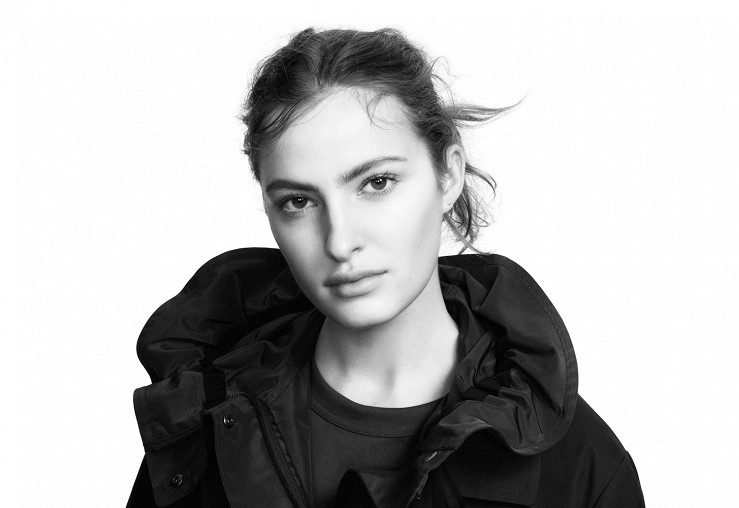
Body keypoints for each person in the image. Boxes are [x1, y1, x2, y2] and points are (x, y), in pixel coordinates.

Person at [127, 27, 645, 507]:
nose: (340, 241)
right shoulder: (206, 418)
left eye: (376, 183)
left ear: (448, 175)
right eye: (298, 202)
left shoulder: (578, 462)